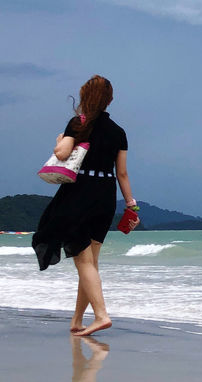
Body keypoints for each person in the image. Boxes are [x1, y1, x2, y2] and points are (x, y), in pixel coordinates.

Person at [31, 75, 136, 337]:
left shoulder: (78, 124)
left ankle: (101, 316)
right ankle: (77, 321)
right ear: (109, 99)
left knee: (84, 261)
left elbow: (62, 154)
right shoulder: (119, 132)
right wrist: (131, 205)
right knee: (90, 263)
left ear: (85, 97)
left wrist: (60, 139)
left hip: (79, 194)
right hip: (106, 195)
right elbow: (122, 173)